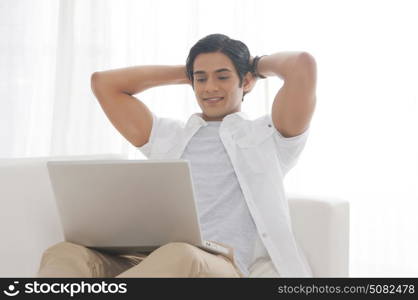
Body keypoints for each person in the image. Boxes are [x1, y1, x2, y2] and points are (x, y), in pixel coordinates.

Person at [37, 33, 317, 278]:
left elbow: (302, 66)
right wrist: (187, 72)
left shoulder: (268, 137)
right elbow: (103, 83)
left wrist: (254, 65)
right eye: (200, 78)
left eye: (222, 76)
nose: (209, 88)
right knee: (66, 254)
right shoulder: (169, 136)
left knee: (180, 255)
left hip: (218, 265)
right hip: (149, 258)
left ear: (246, 82)